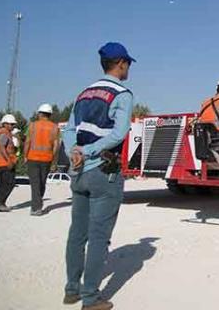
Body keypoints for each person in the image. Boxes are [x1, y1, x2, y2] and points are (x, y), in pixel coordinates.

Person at [63, 42, 135, 310]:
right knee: (98, 236)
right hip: (104, 172)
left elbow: (68, 130)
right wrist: (90, 150)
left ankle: (72, 290)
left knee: (76, 233)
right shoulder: (122, 94)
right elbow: (119, 133)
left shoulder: (84, 94)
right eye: (127, 63)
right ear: (121, 64)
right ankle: (91, 298)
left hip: (79, 172)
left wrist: (75, 152)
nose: (128, 68)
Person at [23, 103, 60, 216]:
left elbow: (28, 142)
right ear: (50, 114)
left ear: (40, 113)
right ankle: (38, 204)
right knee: (42, 183)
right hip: (47, 159)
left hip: (32, 158)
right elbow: (56, 146)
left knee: (35, 183)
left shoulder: (32, 125)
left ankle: (36, 208)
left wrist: (25, 155)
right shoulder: (54, 127)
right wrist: (54, 161)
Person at [0, 114, 18, 212]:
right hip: (5, 163)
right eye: (11, 124)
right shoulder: (4, 133)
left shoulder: (5, 133)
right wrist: (9, 161)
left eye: (13, 124)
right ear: (5, 124)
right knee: (9, 183)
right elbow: (2, 148)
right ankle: (0, 203)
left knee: (1, 184)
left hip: (0, 163)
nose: (13, 126)